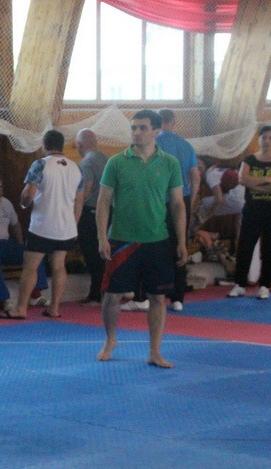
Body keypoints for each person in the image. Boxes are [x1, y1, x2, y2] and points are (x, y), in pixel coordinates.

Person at [96, 109, 187, 369]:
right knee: (112, 296)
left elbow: (178, 204)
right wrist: (102, 237)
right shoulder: (116, 162)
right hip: (122, 239)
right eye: (133, 127)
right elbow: (103, 202)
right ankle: (110, 340)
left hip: (157, 239)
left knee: (157, 298)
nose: (136, 132)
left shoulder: (170, 163)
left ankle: (155, 351)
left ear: (156, 131)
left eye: (142, 128)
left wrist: (181, 241)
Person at [0, 129, 84, 319]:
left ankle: (20, 309)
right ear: (61, 145)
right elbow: (79, 200)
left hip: (43, 225)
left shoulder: (40, 164)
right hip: (66, 228)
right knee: (59, 266)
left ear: (44, 144)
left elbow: (28, 194)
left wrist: (23, 204)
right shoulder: (76, 168)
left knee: (30, 267)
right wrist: (74, 224)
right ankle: (55, 308)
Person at [123, 109, 199, 312]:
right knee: (179, 246)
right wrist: (190, 198)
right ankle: (177, 298)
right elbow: (195, 175)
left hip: (156, 199)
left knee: (146, 246)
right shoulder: (186, 145)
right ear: (174, 122)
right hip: (181, 198)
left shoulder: (153, 142)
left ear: (155, 125)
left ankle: (142, 297)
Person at [227, 125, 271, 300]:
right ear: (259, 139)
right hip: (253, 209)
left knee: (270, 247)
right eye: (264, 137)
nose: (267, 141)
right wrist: (265, 179)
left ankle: (265, 285)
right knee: (245, 246)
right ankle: (239, 284)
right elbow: (242, 179)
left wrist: (254, 184)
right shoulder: (249, 159)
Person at [0, 174, 49, 311]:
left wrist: (21, 244)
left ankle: (35, 294)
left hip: (5, 244)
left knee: (33, 252)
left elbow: (16, 225)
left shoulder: (6, 203)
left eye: (0, 187)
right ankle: (4, 299)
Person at [75, 128, 109, 306]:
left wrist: (75, 211)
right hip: (109, 211)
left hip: (91, 213)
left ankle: (96, 294)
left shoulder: (86, 163)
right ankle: (106, 292)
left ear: (79, 145)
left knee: (93, 255)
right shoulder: (107, 159)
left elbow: (86, 190)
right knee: (105, 255)